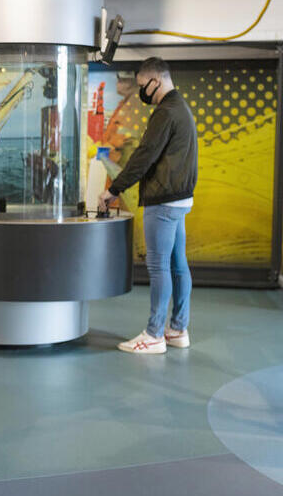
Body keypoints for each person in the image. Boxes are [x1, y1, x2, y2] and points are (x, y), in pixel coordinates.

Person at [100, 57, 198, 355]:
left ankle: (154, 334)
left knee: (159, 267)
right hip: (180, 199)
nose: (141, 92)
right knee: (177, 264)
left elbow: (144, 156)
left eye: (143, 86)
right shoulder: (180, 108)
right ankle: (178, 329)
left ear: (157, 80)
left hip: (163, 200)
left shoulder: (165, 112)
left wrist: (113, 190)